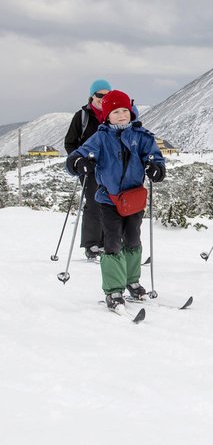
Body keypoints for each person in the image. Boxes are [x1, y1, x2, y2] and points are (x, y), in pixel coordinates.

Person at [65, 90, 165, 312]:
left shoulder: (143, 137)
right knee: (112, 242)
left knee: (133, 239)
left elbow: (156, 158)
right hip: (109, 200)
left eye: (125, 111)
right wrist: (79, 163)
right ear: (107, 115)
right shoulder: (100, 138)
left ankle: (131, 280)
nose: (121, 115)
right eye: (116, 112)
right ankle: (113, 289)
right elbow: (74, 158)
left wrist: (156, 168)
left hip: (134, 199)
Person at [63, 79, 112, 260]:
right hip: (88, 169)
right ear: (92, 95)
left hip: (109, 168)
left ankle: (109, 243)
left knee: (109, 204)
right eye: (99, 94)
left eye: (107, 95)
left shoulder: (112, 115)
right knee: (93, 203)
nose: (102, 98)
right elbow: (70, 142)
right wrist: (79, 161)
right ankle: (92, 245)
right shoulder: (82, 116)